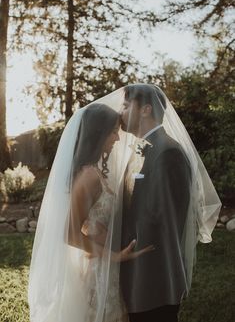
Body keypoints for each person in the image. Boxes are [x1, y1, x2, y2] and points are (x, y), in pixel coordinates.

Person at [28, 101, 153, 322]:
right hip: (99, 268)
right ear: (98, 134)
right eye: (113, 132)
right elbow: (69, 233)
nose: (117, 138)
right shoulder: (89, 177)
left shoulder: (95, 171)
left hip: (104, 264)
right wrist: (114, 256)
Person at [120, 84, 221, 322]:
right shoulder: (146, 149)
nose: (120, 112)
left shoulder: (168, 153)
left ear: (145, 109)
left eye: (125, 106)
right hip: (139, 273)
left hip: (153, 276)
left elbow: (164, 219)